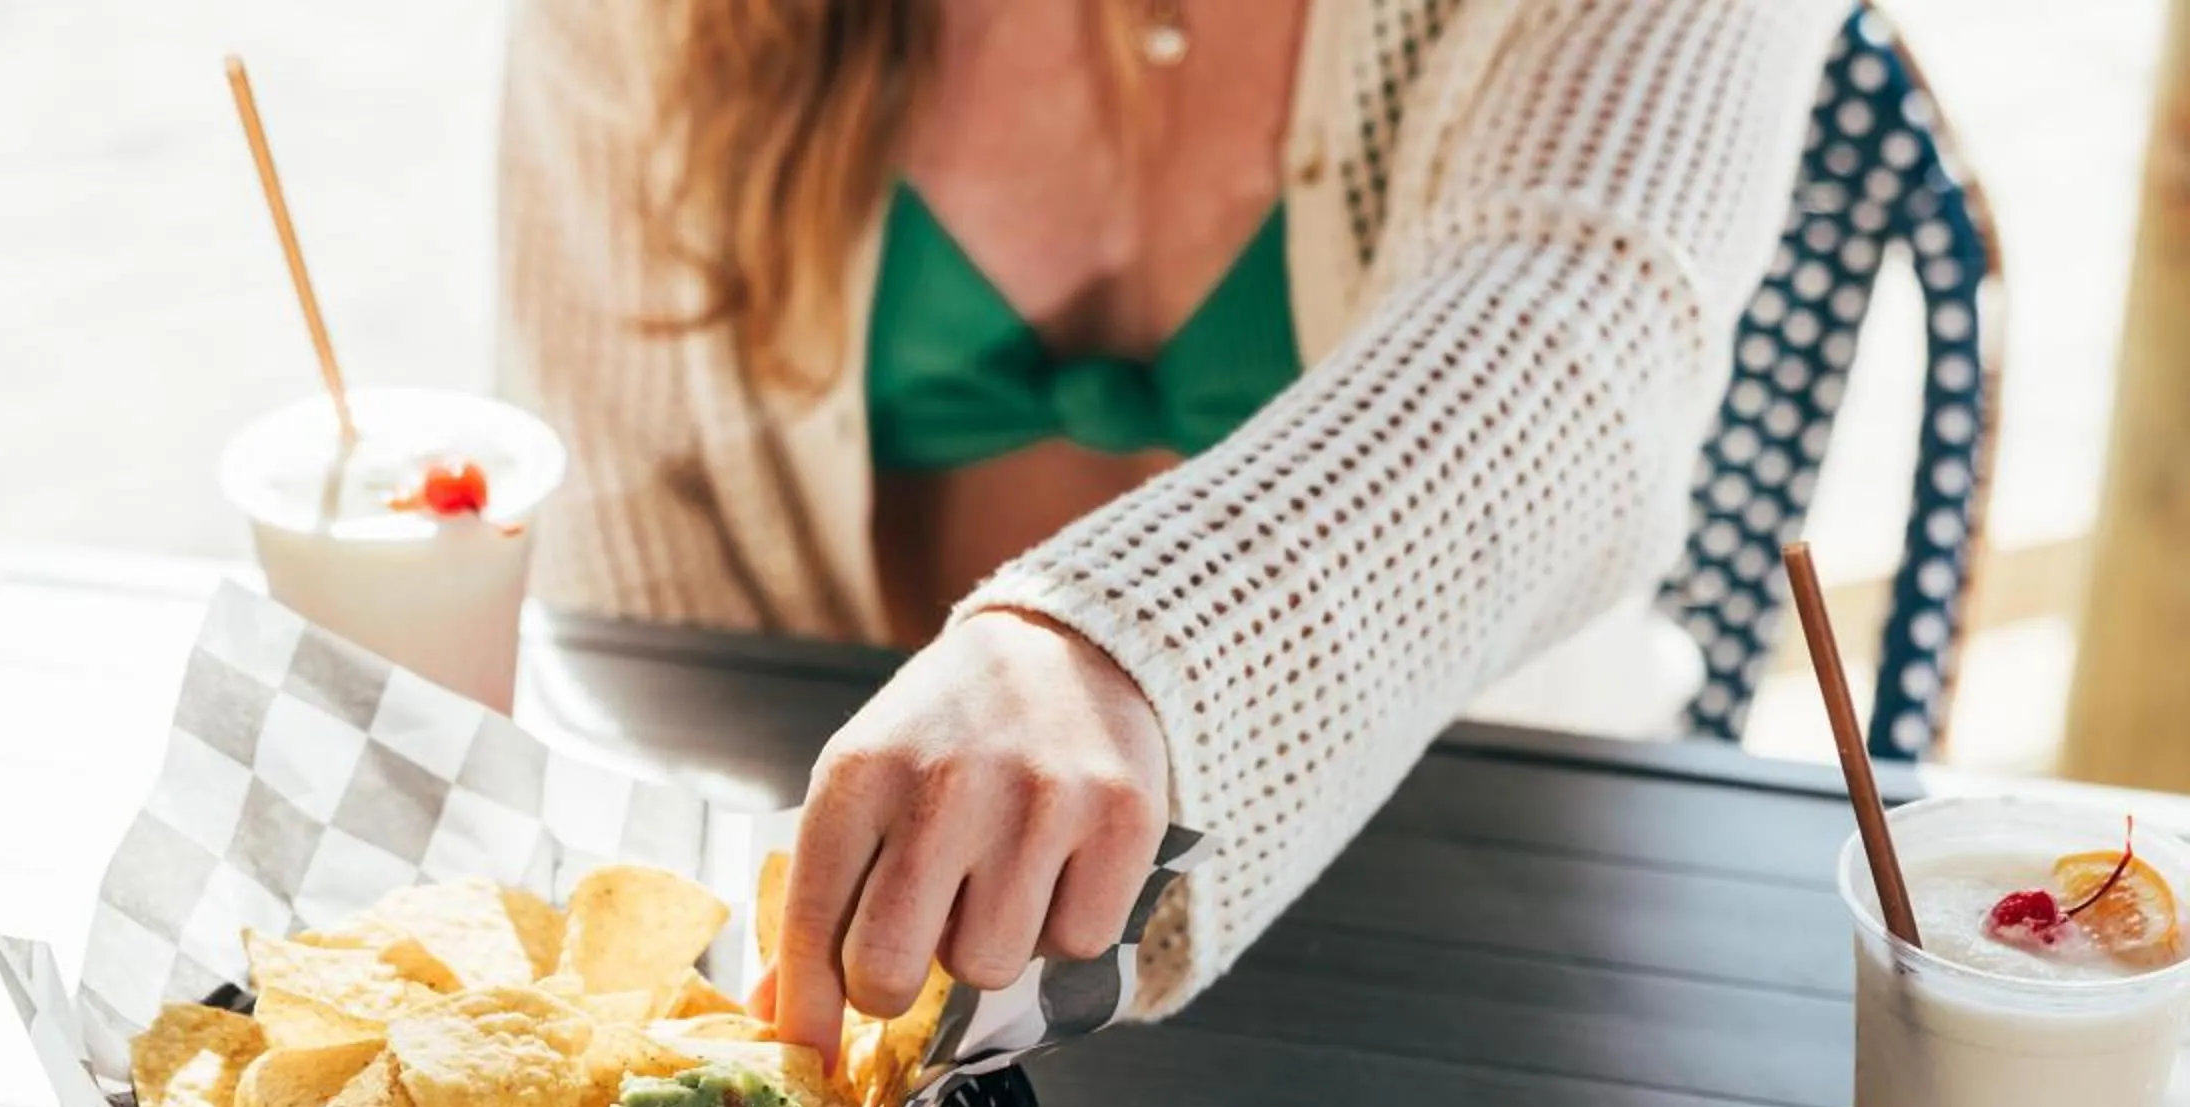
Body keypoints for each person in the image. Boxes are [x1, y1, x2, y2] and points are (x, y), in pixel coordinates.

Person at [498, 0, 1837, 1052]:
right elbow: (644, 582)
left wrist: (1108, 649)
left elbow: (1581, 328)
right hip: (886, 957)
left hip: (1490, 915)